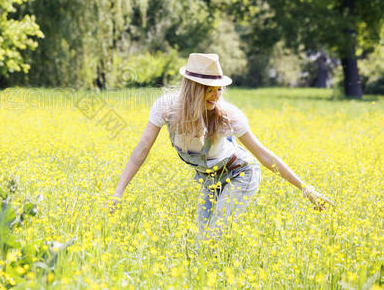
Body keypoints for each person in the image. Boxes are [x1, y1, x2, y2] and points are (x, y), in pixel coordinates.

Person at [111, 53, 334, 238]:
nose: (216, 95)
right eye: (209, 89)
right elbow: (141, 152)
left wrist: (307, 190)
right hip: (210, 180)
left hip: (240, 174)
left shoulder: (228, 116)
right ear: (193, 88)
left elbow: (264, 155)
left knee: (214, 236)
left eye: (218, 89)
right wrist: (118, 193)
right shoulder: (166, 109)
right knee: (201, 240)